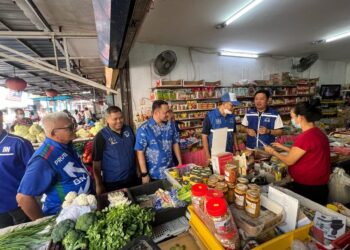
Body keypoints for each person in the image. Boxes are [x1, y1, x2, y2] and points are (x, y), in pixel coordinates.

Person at [17, 112, 92, 220]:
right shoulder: (43, 159)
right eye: (70, 127)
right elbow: (23, 198)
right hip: (63, 217)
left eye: (74, 125)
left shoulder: (66, 145)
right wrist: (44, 224)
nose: (74, 129)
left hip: (82, 211)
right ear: (54, 133)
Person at [264, 100, 330, 205]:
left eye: (293, 117)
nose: (292, 120)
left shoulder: (306, 137)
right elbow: (305, 153)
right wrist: (283, 147)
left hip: (309, 187)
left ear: (300, 118)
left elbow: (289, 161)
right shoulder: (317, 132)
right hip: (319, 185)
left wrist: (272, 152)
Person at [0, 110, 34, 228]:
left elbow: (35, 173)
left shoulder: (19, 143)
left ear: (1, 118)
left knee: (27, 240)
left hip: (19, 207)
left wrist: (26, 196)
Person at [92, 106, 137, 194]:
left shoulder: (128, 129)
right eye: (115, 119)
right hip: (113, 182)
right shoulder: (101, 137)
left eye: (121, 118)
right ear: (107, 120)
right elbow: (96, 165)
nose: (119, 121)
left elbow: (135, 151)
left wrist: (138, 170)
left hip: (132, 177)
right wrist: (99, 184)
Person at [135, 100, 182, 183]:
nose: (168, 114)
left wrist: (180, 162)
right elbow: (140, 152)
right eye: (165, 112)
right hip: (154, 173)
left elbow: (175, 143)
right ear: (156, 112)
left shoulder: (171, 125)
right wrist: (144, 174)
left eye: (168, 111)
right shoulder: (144, 129)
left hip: (171, 171)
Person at [202, 93, 240, 165]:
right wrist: (207, 155)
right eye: (232, 105)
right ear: (224, 103)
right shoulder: (210, 116)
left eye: (235, 106)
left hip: (229, 152)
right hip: (215, 154)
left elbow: (234, 133)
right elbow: (204, 136)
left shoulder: (232, 117)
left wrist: (237, 149)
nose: (234, 108)